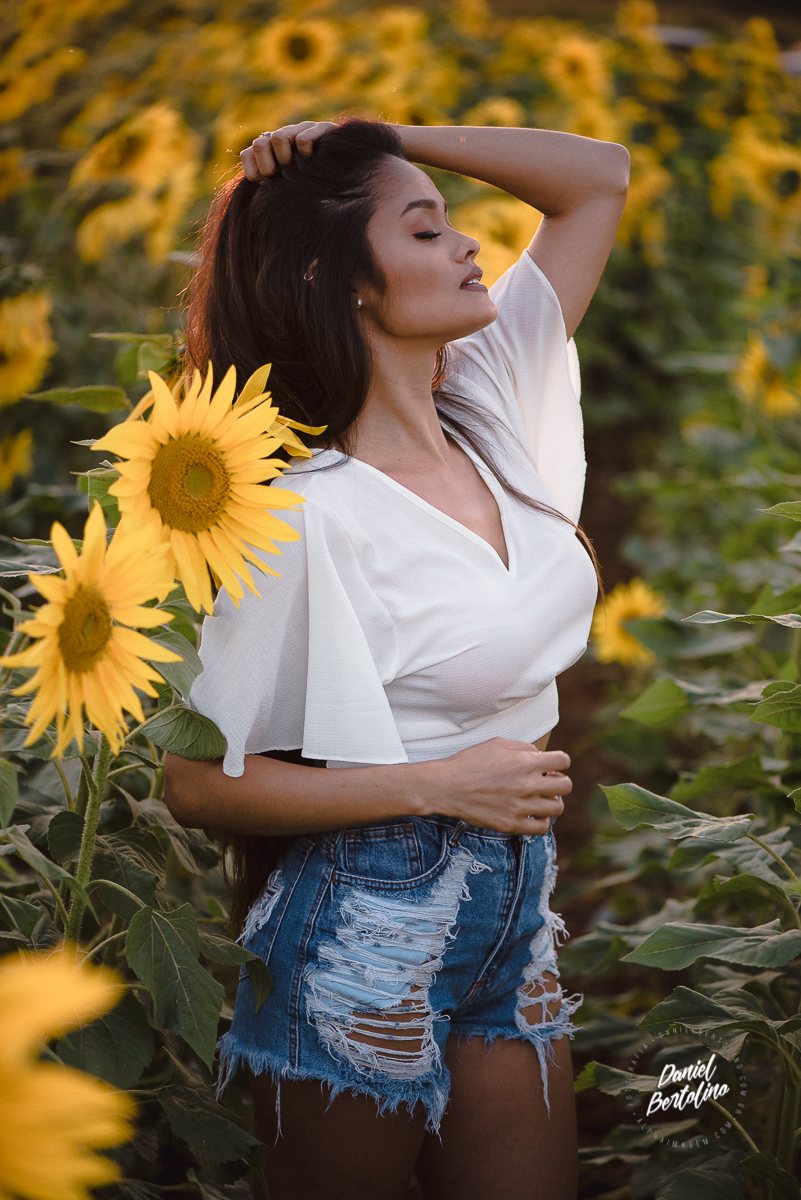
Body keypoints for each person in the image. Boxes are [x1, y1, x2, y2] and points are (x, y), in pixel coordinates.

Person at [164, 116, 629, 1200]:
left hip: (514, 908)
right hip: (363, 924)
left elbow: (597, 179)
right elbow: (199, 779)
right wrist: (438, 783)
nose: (467, 245)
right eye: (425, 231)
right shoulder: (304, 514)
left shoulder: (488, 399)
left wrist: (376, 133)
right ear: (344, 283)